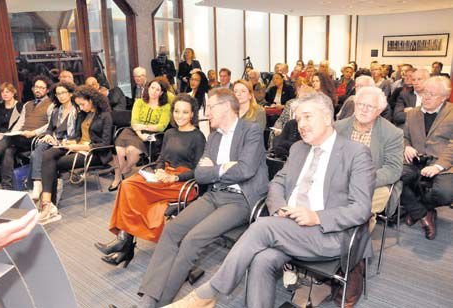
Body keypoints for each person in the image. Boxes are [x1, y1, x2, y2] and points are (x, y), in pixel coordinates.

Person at [168, 92, 375, 308]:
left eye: (307, 117)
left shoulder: (356, 153)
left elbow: (361, 209)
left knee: (262, 228)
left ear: (326, 117)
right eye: (298, 119)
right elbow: (276, 184)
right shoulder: (298, 149)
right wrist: (279, 209)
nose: (301, 124)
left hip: (327, 235)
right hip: (286, 227)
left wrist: (316, 216)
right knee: (261, 259)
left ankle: (207, 294)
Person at [134, 88, 269, 308]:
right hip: (215, 194)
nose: (207, 113)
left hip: (240, 199)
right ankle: (148, 301)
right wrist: (224, 167)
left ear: (225, 107)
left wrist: (214, 169)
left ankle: (158, 304)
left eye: (211, 107)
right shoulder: (214, 137)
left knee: (192, 239)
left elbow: (245, 170)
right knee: (171, 230)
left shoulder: (250, 131)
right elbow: (199, 174)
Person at [94, 94, 206, 266]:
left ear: (192, 114)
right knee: (127, 184)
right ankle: (125, 239)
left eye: (185, 112)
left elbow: (200, 170)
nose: (180, 115)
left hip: (182, 182)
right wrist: (160, 169)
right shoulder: (170, 132)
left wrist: (175, 176)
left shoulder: (198, 137)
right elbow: (161, 157)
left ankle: (125, 245)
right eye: (176, 111)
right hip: (164, 175)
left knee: (135, 192)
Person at [38, 85, 113, 225]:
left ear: (91, 100)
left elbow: (104, 144)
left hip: (93, 152)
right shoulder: (83, 114)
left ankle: (48, 206)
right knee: (48, 155)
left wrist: (78, 146)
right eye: (78, 105)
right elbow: (78, 136)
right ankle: (48, 204)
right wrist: (67, 143)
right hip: (78, 147)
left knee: (52, 164)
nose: (81, 107)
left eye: (83, 104)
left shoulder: (105, 116)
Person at [335, 86, 404, 232]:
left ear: (379, 110)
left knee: (359, 209)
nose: (364, 109)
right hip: (339, 181)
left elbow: (393, 169)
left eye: (370, 106)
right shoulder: (337, 127)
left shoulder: (392, 133)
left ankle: (353, 249)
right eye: (361, 104)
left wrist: (362, 180)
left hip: (374, 184)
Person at [401, 76, 453, 240]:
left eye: (433, 94)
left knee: (446, 193)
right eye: (425, 92)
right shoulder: (412, 114)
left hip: (441, 163)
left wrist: (438, 166)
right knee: (394, 179)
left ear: (444, 97)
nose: (426, 97)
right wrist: (406, 146)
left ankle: (423, 207)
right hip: (414, 162)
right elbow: (404, 137)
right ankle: (422, 213)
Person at [0, 75, 53, 190]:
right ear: (32, 89)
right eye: (36, 87)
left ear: (47, 90)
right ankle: (6, 186)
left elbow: (50, 125)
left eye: (42, 88)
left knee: (8, 139)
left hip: (36, 138)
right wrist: (14, 133)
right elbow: (20, 123)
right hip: (21, 137)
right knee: (8, 150)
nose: (38, 90)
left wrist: (33, 132)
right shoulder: (27, 104)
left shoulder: (51, 104)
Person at [109, 79, 171, 191]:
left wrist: (143, 128)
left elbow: (161, 126)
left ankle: (126, 170)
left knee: (131, 151)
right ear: (148, 88)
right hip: (133, 132)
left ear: (161, 93)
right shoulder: (139, 102)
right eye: (152, 88)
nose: (154, 91)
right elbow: (134, 122)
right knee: (120, 151)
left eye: (158, 89)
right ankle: (117, 178)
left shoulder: (165, 106)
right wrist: (140, 133)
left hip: (153, 135)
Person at [29, 82, 79, 201]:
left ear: (70, 94)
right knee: (40, 146)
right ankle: (37, 184)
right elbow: (50, 128)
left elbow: (78, 133)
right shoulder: (56, 110)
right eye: (58, 94)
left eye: (63, 93)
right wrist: (48, 135)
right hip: (54, 140)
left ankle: (37, 185)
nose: (60, 96)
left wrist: (63, 141)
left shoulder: (77, 110)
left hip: (68, 143)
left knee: (35, 155)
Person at [0, 83, 23, 148]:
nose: (4, 94)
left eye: (7, 92)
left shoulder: (20, 106)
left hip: (11, 134)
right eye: (2, 92)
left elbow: (20, 124)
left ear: (13, 93)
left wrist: (6, 134)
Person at [187, 70, 210, 138]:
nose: (193, 82)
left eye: (196, 80)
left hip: (202, 126)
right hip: (189, 126)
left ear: (201, 82)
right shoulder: (187, 95)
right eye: (192, 79)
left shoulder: (206, 96)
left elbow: (207, 114)